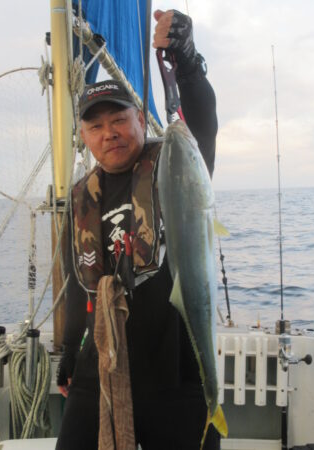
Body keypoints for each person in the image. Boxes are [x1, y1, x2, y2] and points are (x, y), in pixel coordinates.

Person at [56, 9, 219, 450]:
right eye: (95, 126)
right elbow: (77, 283)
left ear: (139, 120)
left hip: (176, 371)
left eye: (119, 121)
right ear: (84, 136)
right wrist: (70, 351)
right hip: (102, 368)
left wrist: (185, 59)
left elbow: (202, 120)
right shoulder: (79, 199)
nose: (109, 133)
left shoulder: (175, 165)